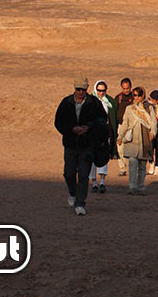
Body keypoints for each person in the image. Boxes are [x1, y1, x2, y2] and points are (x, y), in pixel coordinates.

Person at [54, 76, 108, 216]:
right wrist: (71, 129)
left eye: (83, 89)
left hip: (87, 145)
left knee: (84, 175)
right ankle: (72, 193)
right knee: (69, 173)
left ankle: (80, 203)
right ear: (74, 89)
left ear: (87, 89)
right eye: (78, 89)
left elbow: (102, 120)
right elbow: (58, 122)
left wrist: (88, 128)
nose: (80, 92)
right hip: (71, 144)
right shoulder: (66, 102)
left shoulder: (94, 103)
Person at [117, 86, 156, 195]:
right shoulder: (130, 108)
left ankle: (141, 187)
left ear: (143, 95)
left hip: (145, 138)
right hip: (132, 139)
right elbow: (125, 123)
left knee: (143, 165)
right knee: (133, 163)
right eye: (135, 95)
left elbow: (153, 121)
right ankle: (132, 187)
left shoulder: (149, 108)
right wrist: (120, 136)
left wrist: (153, 132)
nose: (137, 97)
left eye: (139, 95)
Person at [88, 79, 117, 193]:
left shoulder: (108, 102)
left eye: (103, 90)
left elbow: (112, 118)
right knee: (92, 158)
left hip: (105, 134)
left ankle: (102, 181)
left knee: (103, 156)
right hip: (93, 134)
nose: (101, 93)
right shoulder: (90, 101)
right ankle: (94, 182)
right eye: (99, 90)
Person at [113, 77, 134, 176]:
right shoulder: (118, 98)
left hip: (132, 126)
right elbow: (114, 112)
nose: (126, 90)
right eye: (124, 88)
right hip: (121, 125)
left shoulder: (135, 97)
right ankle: (122, 168)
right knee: (120, 147)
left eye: (128, 88)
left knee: (132, 147)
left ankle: (133, 168)